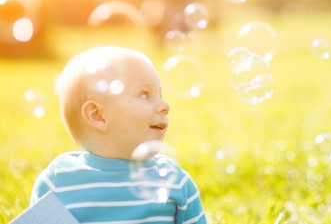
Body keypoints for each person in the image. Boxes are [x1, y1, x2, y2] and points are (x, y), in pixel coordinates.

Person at [30, 45, 207, 224]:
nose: (164, 105)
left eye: (160, 94)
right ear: (97, 115)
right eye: (144, 94)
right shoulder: (59, 180)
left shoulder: (175, 181)